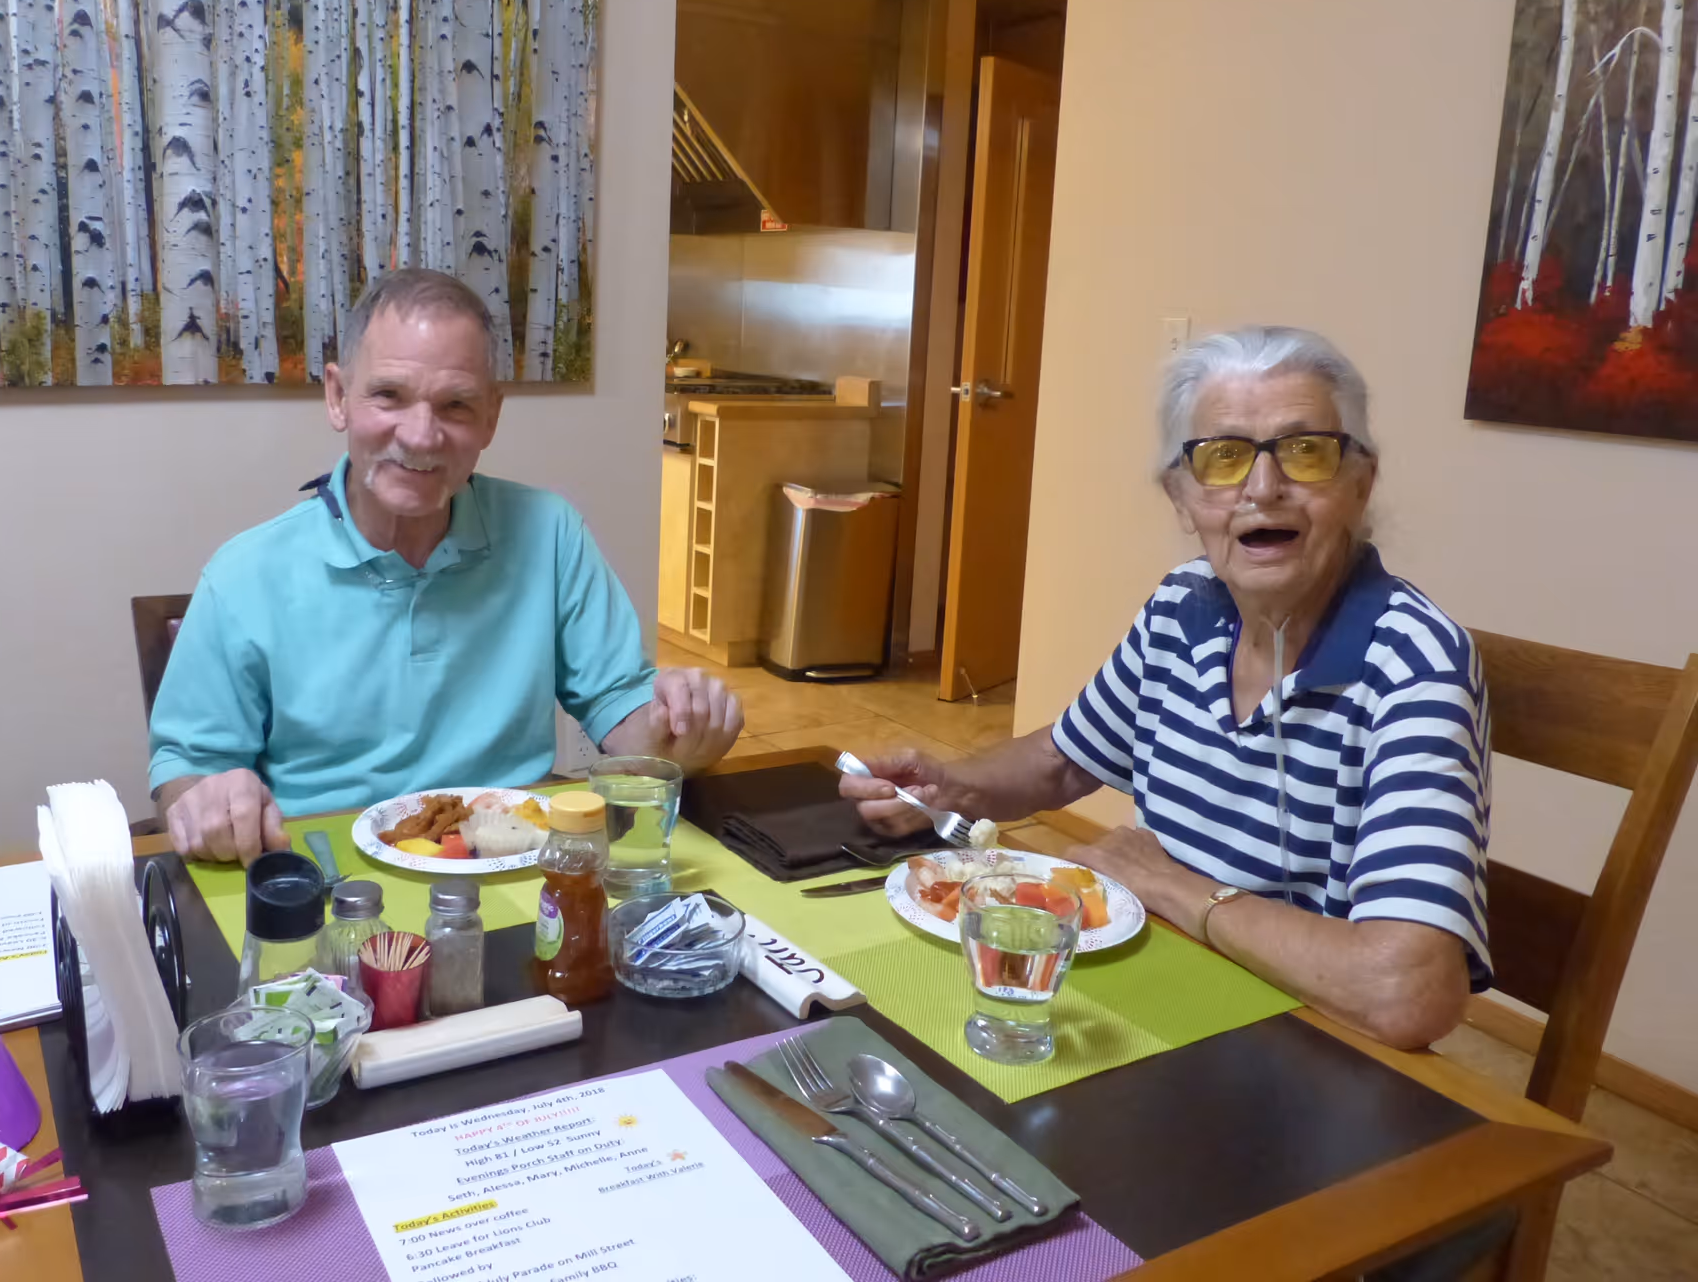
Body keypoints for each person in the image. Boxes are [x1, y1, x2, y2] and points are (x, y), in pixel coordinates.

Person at [842, 326, 1488, 1050]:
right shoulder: (1186, 606)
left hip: (1300, 1045)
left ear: (1360, 483)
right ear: (1182, 498)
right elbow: (1065, 759)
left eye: (1306, 452)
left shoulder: (1413, 662)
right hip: (1156, 990)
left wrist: (1173, 886)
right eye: (1224, 457)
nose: (1263, 487)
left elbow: (1406, 992)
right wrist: (949, 788)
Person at [151, 268, 743, 863]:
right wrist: (210, 798)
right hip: (327, 879)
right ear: (337, 397)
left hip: (515, 867)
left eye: (455, 405)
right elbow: (185, 776)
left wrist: (685, 726)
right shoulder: (243, 574)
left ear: (491, 416)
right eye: (389, 396)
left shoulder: (550, 533)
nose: (421, 435)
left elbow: (628, 726)